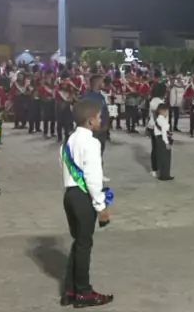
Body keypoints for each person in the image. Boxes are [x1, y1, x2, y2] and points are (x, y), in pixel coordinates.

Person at [59, 99, 114, 308]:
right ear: (90, 121)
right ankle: (83, 292)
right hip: (83, 197)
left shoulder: (69, 140)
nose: (101, 120)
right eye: (99, 117)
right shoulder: (91, 143)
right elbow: (92, 178)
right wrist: (101, 206)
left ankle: (70, 289)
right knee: (84, 245)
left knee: (79, 242)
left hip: (70, 195)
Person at [81, 75, 111, 183]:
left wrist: (106, 124)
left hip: (102, 128)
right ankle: (89, 175)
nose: (103, 84)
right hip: (93, 129)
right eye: (101, 82)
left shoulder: (100, 96)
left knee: (99, 152)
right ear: (97, 83)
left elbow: (105, 111)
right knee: (91, 153)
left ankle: (99, 173)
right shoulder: (88, 97)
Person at [146, 83, 167, 177]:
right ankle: (155, 168)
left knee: (157, 148)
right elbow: (157, 116)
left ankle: (157, 168)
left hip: (155, 126)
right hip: (157, 127)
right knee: (156, 149)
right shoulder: (157, 102)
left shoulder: (156, 100)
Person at [151, 102, 174, 181]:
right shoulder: (163, 120)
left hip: (158, 139)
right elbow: (164, 133)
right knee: (166, 158)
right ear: (162, 111)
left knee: (161, 157)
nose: (167, 112)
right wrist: (167, 143)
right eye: (166, 110)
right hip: (163, 139)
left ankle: (161, 174)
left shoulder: (158, 119)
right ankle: (165, 175)